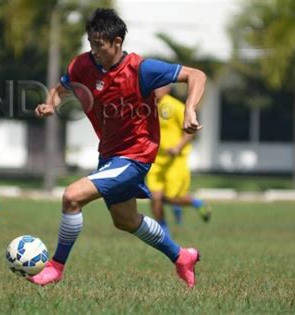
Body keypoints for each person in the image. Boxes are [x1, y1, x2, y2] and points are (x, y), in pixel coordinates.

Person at [28, 8, 206, 288]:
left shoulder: (141, 69)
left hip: (136, 157)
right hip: (109, 156)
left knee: (72, 197)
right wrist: (51, 104)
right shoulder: (81, 66)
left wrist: (189, 111)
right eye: (91, 44)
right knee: (125, 220)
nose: (94, 51)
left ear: (118, 42)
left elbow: (196, 75)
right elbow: (60, 88)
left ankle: (56, 266)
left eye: (99, 45)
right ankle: (182, 256)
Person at [146, 86, 211, 235]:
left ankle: (197, 203)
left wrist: (177, 147)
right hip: (155, 160)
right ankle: (163, 229)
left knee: (171, 198)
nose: (155, 89)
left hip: (175, 160)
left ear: (168, 88)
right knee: (155, 197)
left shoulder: (176, 106)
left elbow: (190, 131)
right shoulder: (146, 106)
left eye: (159, 86)